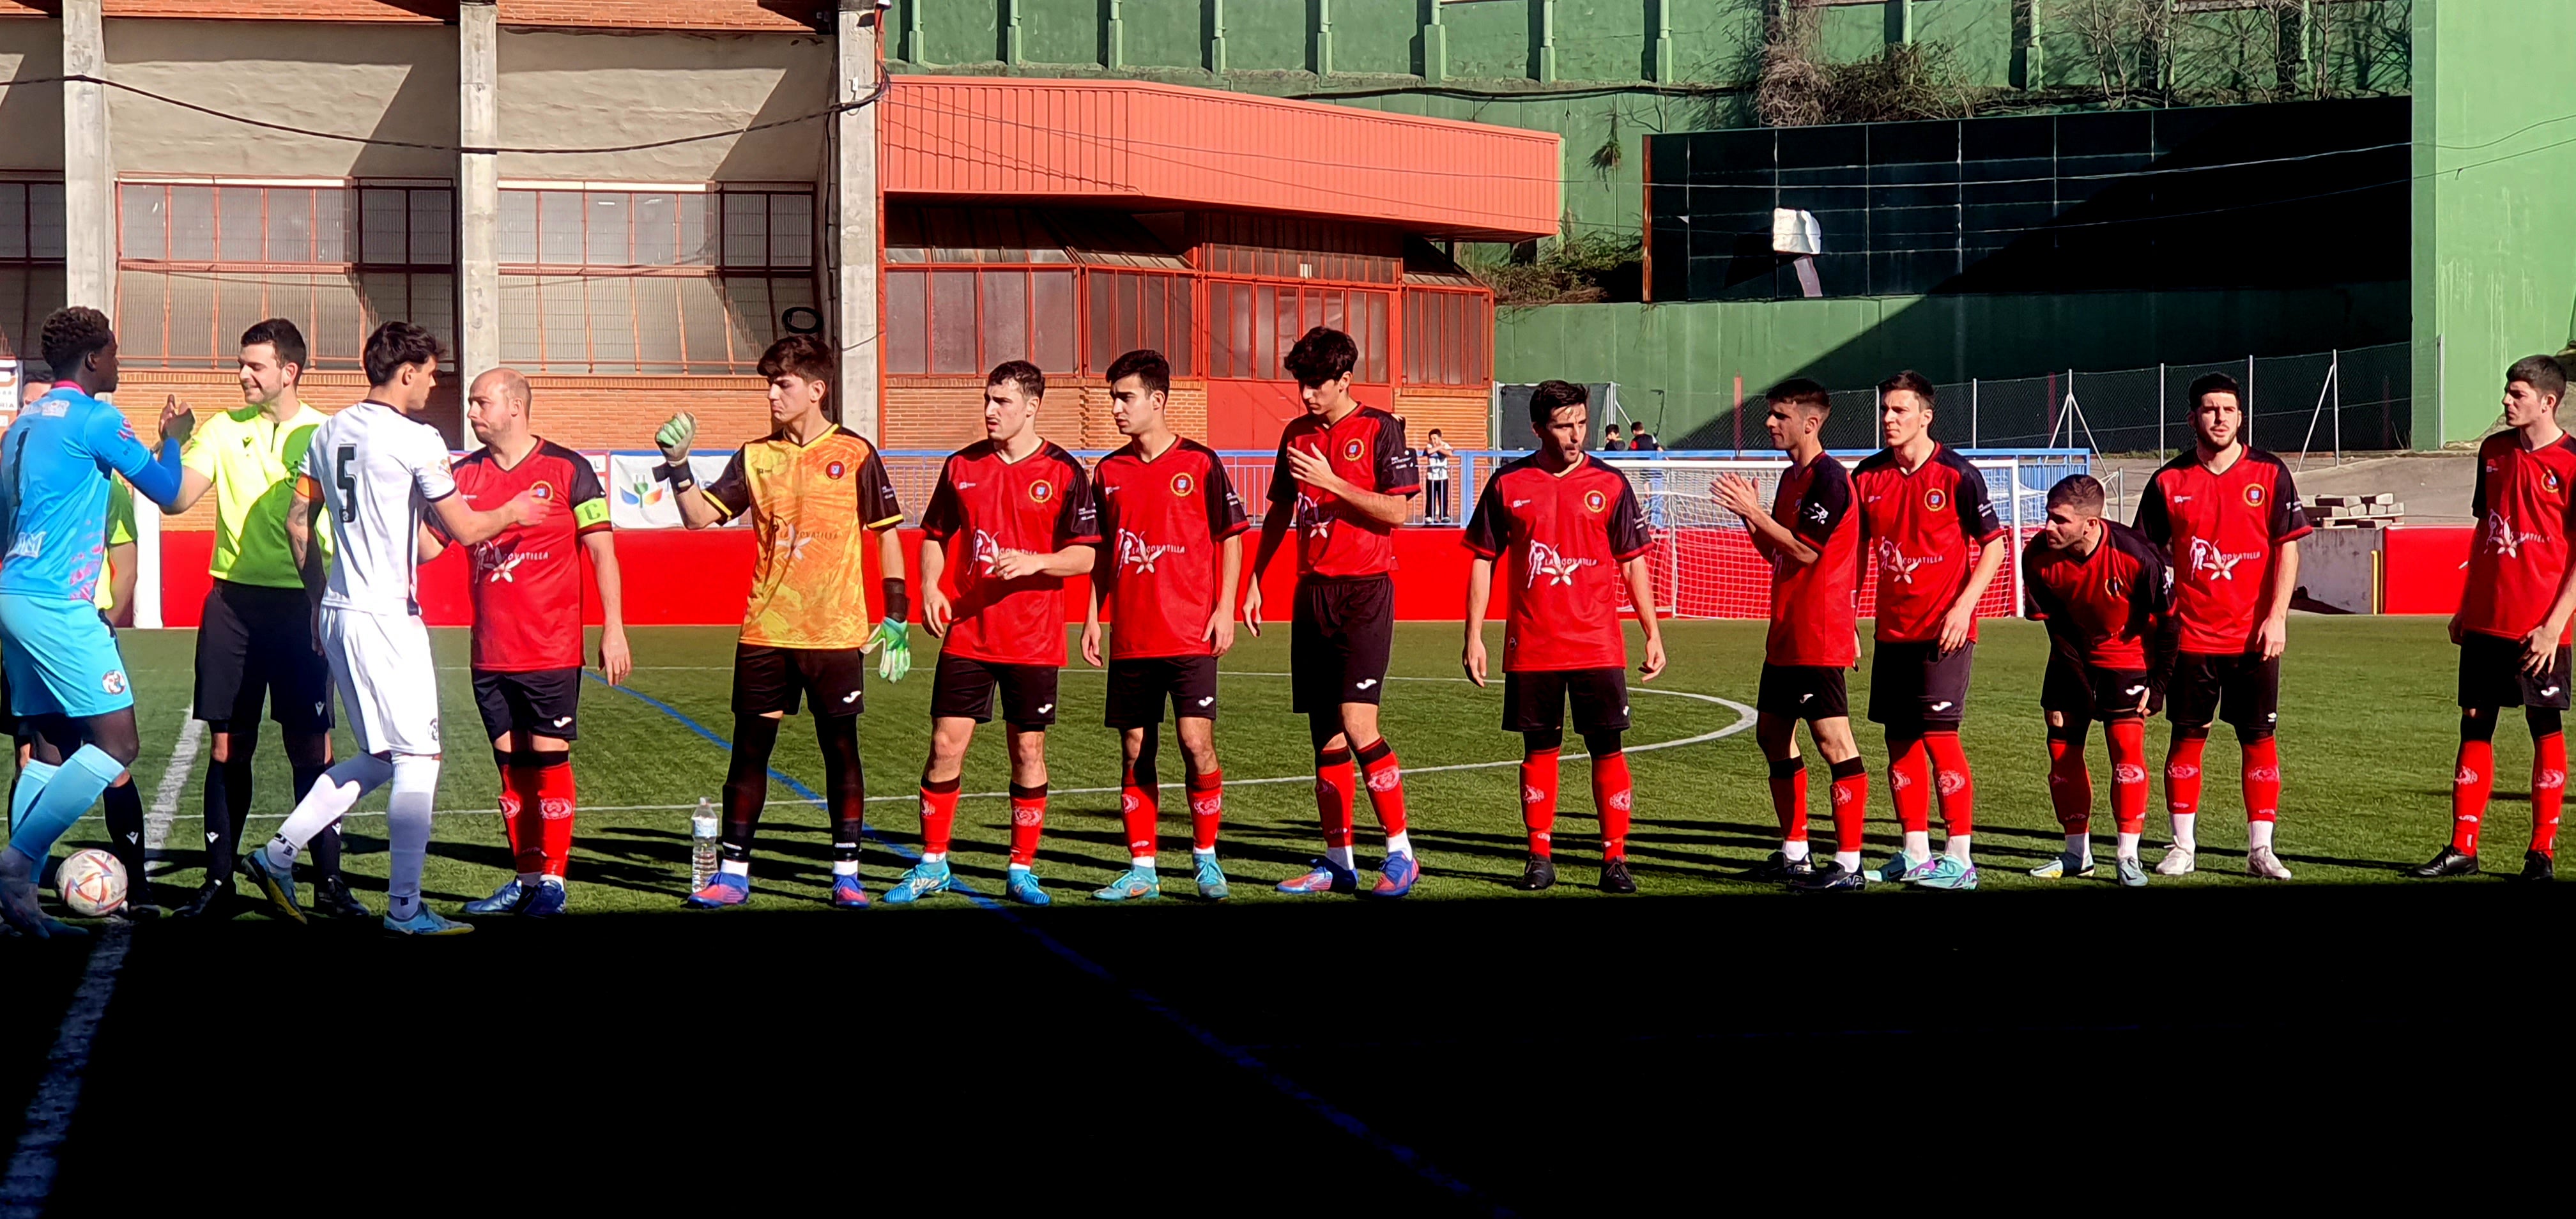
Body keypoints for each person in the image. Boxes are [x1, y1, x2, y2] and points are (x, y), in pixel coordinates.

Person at [238, 322, 548, 935]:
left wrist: (320, 600)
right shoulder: (418, 437)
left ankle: (276, 856)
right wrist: (514, 510)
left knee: (381, 756)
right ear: (406, 372)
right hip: (386, 618)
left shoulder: (329, 431)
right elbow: (464, 530)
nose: (436, 383)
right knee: (420, 759)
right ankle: (405, 909)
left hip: (340, 614)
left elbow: (299, 523)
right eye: (431, 372)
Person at [657, 335, 908, 909]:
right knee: (749, 751)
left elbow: (887, 534)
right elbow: (698, 520)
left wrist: (895, 616)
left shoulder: (857, 453)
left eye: (783, 383)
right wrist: (678, 467)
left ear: (816, 390)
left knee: (840, 748)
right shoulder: (755, 456)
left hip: (835, 632)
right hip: (766, 631)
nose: (772, 394)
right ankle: (733, 874)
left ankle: (847, 875)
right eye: (769, 383)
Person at [0, 307, 192, 937]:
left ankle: (22, 902)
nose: (119, 363)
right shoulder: (96, 418)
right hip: (59, 601)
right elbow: (166, 490)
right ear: (92, 360)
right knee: (118, 745)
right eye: (113, 353)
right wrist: (175, 439)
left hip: (14, 592)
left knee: (50, 746)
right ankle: (16, 863)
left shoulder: (23, 424)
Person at [163, 319, 360, 920]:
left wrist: (331, 605)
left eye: (255, 366)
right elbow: (175, 499)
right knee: (228, 748)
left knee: (312, 747)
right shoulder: (223, 429)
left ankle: (329, 883)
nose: (242, 375)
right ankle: (219, 886)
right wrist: (172, 440)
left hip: (303, 605)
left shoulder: (328, 433)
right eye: (241, 365)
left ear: (289, 371)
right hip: (233, 608)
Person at [882, 360, 1098, 907]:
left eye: (1001, 402)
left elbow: (1084, 556)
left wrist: (1035, 562)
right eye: (987, 399)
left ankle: (1021, 867)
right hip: (968, 637)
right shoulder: (960, 466)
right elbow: (934, 534)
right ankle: (932, 862)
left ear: (1031, 406)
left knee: (1027, 751)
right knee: (944, 746)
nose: (989, 411)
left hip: (1032, 639)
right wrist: (931, 587)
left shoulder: (1066, 471)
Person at [432, 368, 631, 919]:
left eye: (480, 402)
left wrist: (612, 628)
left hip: (550, 649)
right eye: (471, 403)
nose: (471, 412)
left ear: (515, 407)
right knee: (509, 767)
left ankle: (554, 881)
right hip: (489, 652)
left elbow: (602, 553)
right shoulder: (462, 475)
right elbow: (430, 544)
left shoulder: (570, 470)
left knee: (547, 763)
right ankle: (523, 879)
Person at [1462, 380, 1666, 893]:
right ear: (1537, 429)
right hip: (1533, 645)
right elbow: (1482, 561)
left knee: (1608, 749)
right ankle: (1539, 854)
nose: (1576, 435)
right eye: (1562, 425)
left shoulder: (1612, 484)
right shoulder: (1509, 484)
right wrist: (1474, 636)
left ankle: (1615, 859)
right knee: (1540, 749)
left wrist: (1652, 632)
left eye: (1581, 423)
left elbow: (1633, 563)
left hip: (1597, 643)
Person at [1245, 326, 1424, 897]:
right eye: (1302, 383)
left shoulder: (1380, 428)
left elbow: (1398, 513)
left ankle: (1401, 854)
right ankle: (1338, 861)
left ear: (1346, 379)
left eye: (1318, 384)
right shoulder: (1295, 434)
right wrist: (1254, 579)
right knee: (1325, 735)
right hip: (1312, 592)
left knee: (1357, 722)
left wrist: (1332, 481)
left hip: (1366, 591)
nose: (1307, 395)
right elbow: (1278, 511)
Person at [1080, 348, 1247, 901]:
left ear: (1158, 400)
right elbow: (1101, 554)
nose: (1117, 409)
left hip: (1191, 632)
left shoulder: (1200, 463)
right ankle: (1142, 868)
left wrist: (1225, 608)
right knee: (1134, 747)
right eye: (1113, 399)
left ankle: (1207, 860)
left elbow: (1231, 538)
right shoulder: (1108, 471)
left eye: (1125, 398)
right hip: (1132, 635)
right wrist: (1091, 617)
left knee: (1195, 741)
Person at [2134, 372, 2310, 880]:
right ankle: (2183, 846)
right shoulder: (2169, 481)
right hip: (2191, 638)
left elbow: (2288, 548)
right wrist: (2155, 624)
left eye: (2228, 410)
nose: (2220, 418)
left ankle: (2261, 849)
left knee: (2258, 739)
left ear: (2240, 416)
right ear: (2192, 419)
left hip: (2255, 636)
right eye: (2210, 410)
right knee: (2188, 737)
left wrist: (2277, 617)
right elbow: (2143, 556)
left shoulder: (2270, 473)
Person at [2411, 355, 2575, 882]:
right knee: (2474, 727)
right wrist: (2465, 603)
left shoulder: (2572, 462)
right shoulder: (2493, 452)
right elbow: (2486, 530)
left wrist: (2554, 626)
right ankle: (2463, 846)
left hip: (2540, 629)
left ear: (2548, 401)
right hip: (2485, 621)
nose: (2507, 401)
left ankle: (2541, 854)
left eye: (2518, 394)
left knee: (2543, 727)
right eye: (2507, 391)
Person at [1710, 378, 1869, 891]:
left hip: (1817, 632)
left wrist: (1756, 514)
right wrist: (1750, 519)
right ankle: (1795, 853)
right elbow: (1779, 552)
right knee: (1772, 735)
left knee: (1832, 740)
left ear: (1810, 421)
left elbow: (1808, 551)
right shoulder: (1791, 479)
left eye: (1780, 415)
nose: (1770, 423)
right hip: (1787, 631)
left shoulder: (1829, 480)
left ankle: (1849, 864)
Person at [1850, 371, 2006, 890]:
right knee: (1899, 742)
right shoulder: (1867, 476)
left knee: (1941, 739)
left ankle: (1960, 859)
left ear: (1926, 415)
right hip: (1892, 633)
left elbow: (1996, 546)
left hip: (1945, 633)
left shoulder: (1958, 474)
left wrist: (1963, 609)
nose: (1889, 420)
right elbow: (1853, 555)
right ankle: (1915, 853)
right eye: (1885, 410)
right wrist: (1847, 620)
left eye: (1899, 411)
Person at [2023, 474, 2174, 888]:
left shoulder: (2136, 556)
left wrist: (2159, 686)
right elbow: (2055, 627)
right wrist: (2077, 679)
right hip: (2069, 655)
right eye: (2048, 517)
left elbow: (2169, 624)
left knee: (2126, 751)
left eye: (2059, 520)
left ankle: (2127, 857)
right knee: (2061, 751)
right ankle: (2076, 854)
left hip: (2125, 658)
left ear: (2091, 524)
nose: (2048, 527)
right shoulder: (2037, 556)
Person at [1422, 427, 1454, 524]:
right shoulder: (1429, 445)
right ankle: (1429, 515)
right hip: (1431, 476)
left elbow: (1449, 453)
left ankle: (1444, 515)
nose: (1433, 441)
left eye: (1435, 438)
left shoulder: (1446, 445)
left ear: (1440, 438)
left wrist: (1439, 448)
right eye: (1431, 439)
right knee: (1431, 496)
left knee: (1443, 497)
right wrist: (1440, 448)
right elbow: (1429, 452)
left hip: (1443, 476)